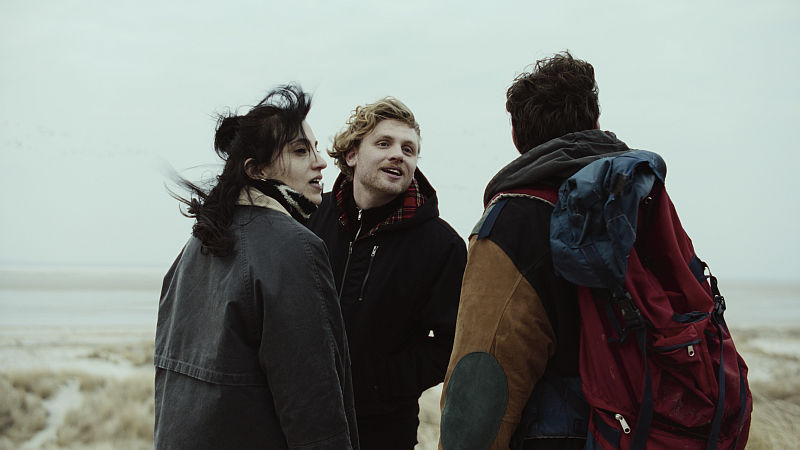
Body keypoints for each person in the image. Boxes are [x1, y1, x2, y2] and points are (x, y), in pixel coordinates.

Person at [439, 52, 630, 449]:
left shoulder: (515, 220)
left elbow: (479, 384)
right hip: (646, 426)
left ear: (517, 140)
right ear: (595, 123)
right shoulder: (637, 201)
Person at [154, 85, 359, 450]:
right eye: (300, 150)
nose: (320, 161)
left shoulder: (196, 245)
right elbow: (313, 404)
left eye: (313, 147)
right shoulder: (296, 248)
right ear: (257, 170)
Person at [308, 97, 467, 449]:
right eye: (384, 144)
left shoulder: (442, 246)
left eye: (409, 149)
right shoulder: (313, 220)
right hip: (301, 418)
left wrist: (380, 383)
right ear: (352, 155)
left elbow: (453, 343)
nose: (399, 154)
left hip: (383, 430)